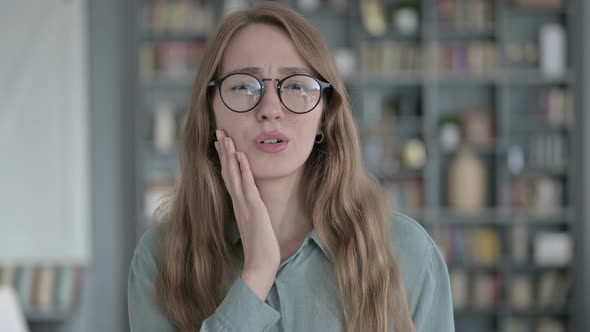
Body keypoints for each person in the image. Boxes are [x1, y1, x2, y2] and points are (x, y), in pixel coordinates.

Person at [128, 2, 454, 332]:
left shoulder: (407, 251)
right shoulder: (160, 259)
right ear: (210, 111)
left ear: (324, 116)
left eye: (297, 86)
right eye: (243, 86)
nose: (270, 109)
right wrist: (256, 274)